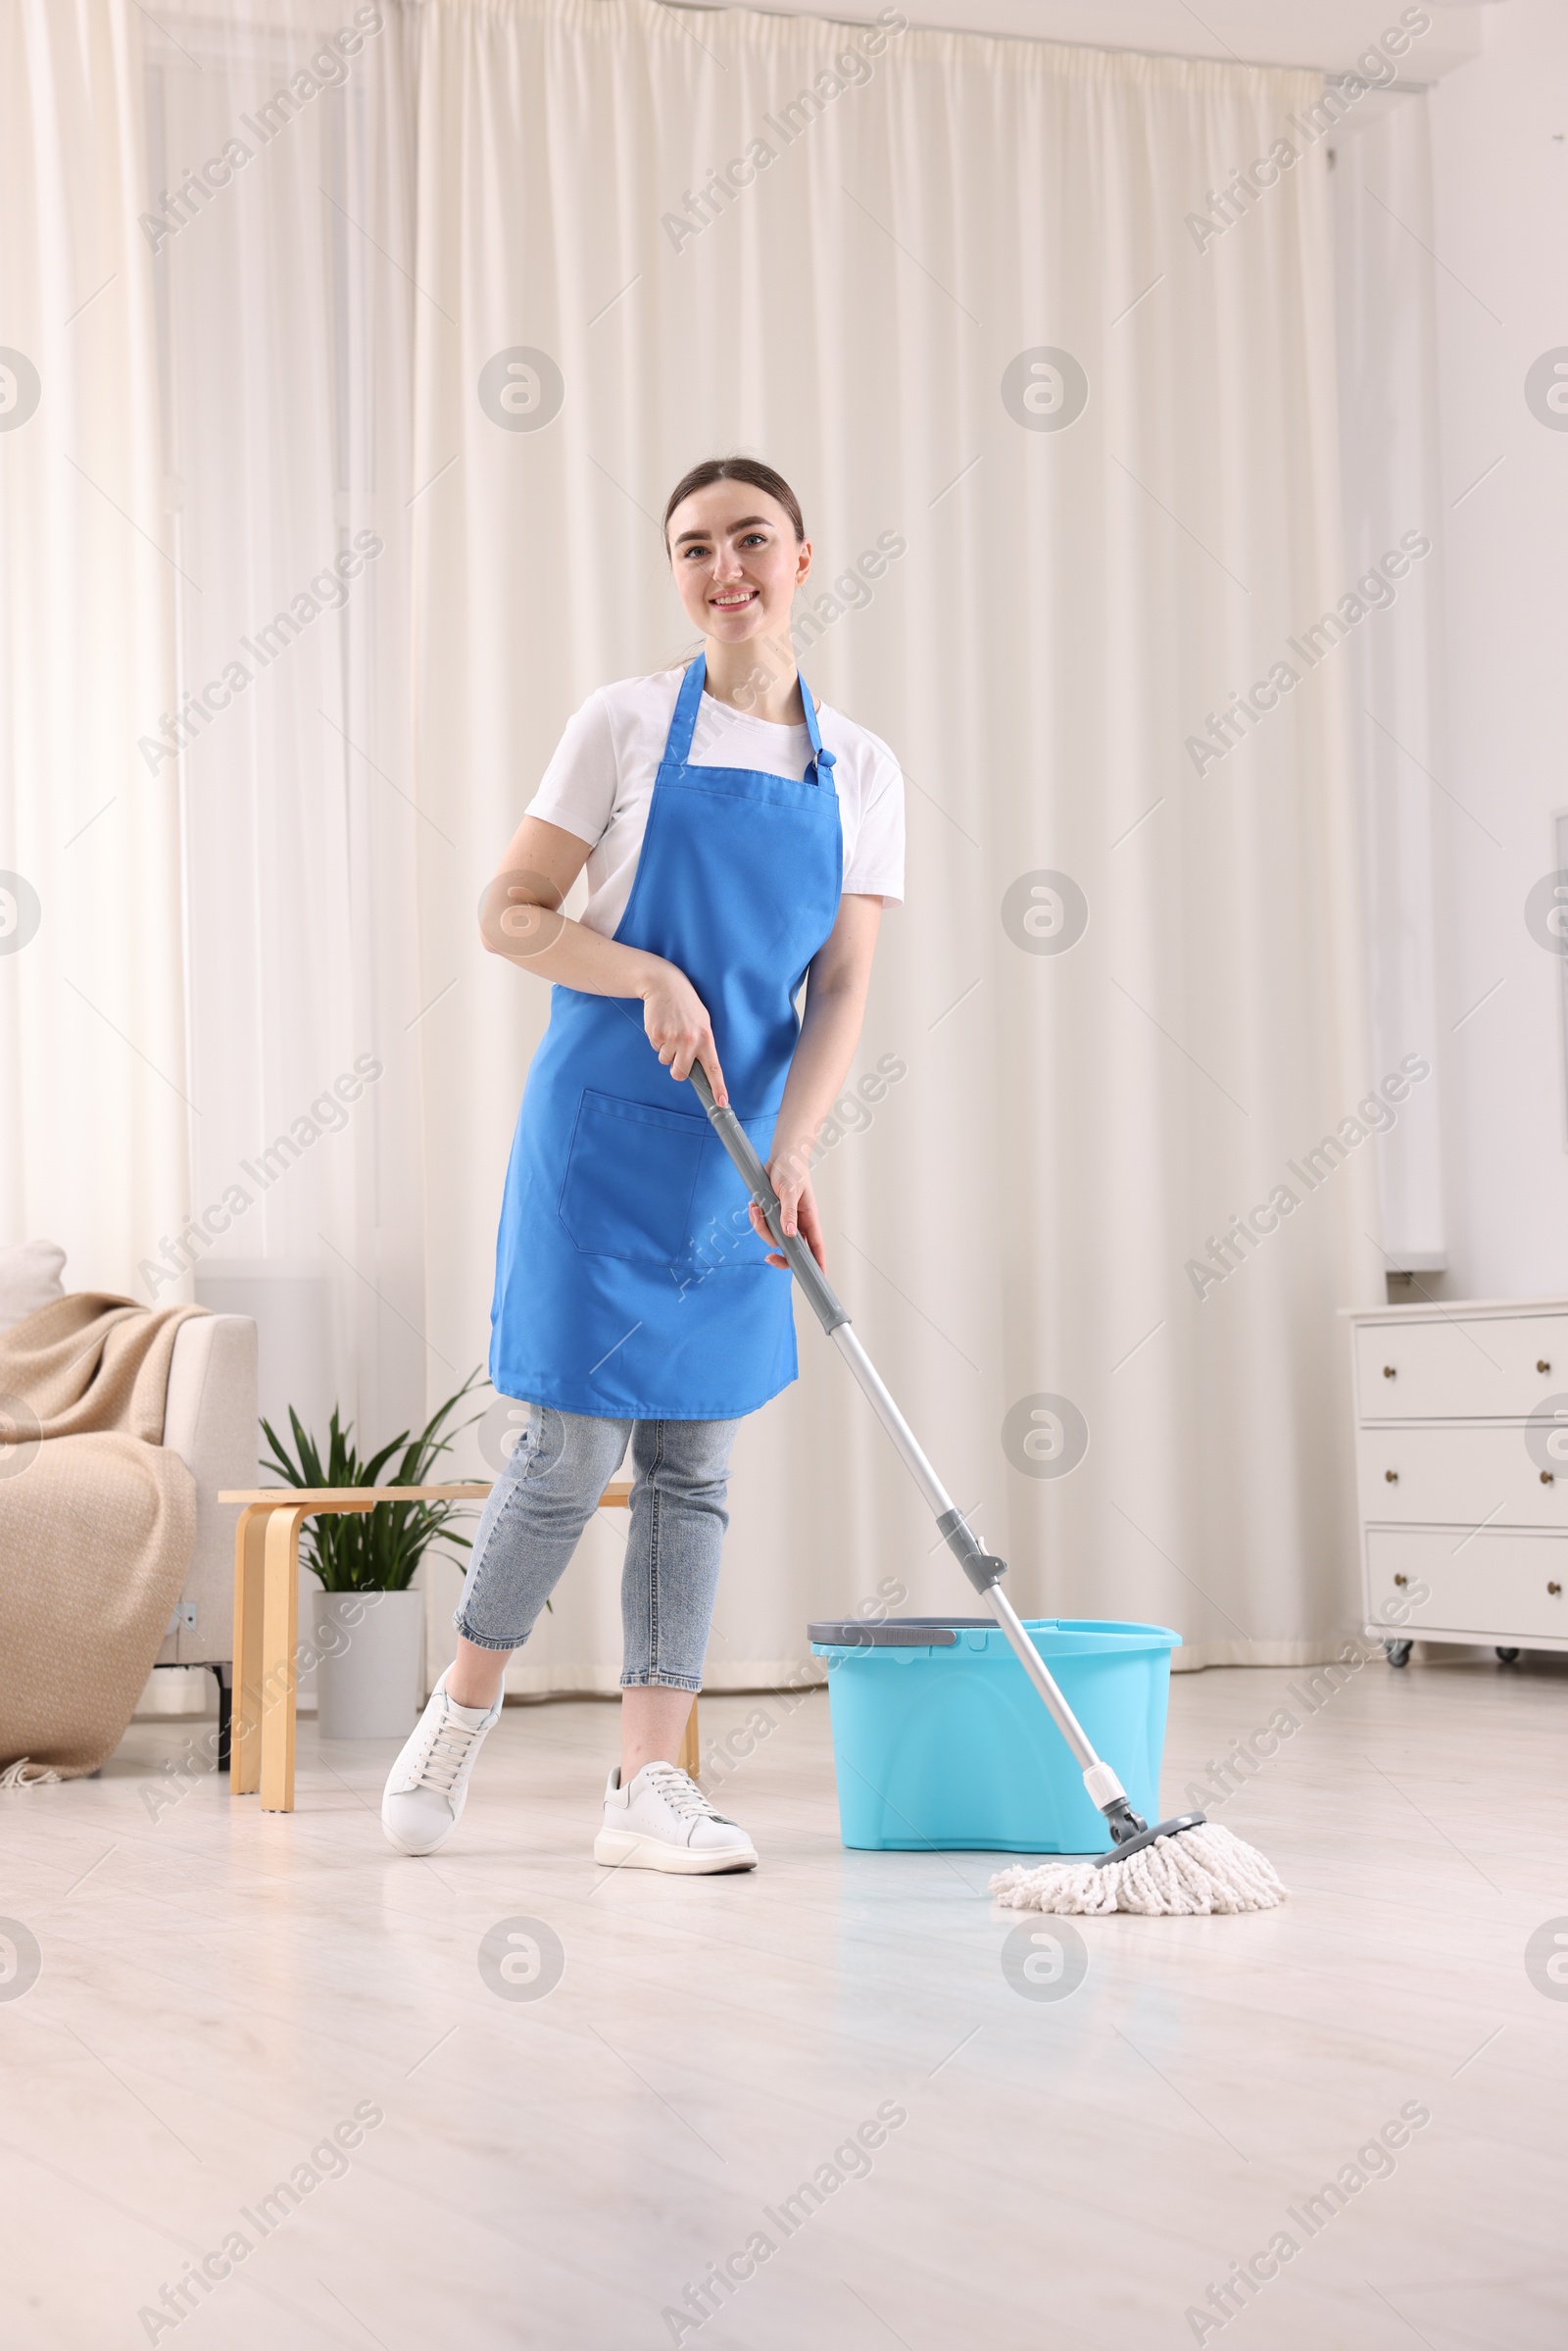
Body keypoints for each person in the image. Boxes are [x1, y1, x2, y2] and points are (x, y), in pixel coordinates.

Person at [382, 456, 904, 1872]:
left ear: (803, 557)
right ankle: (459, 1714)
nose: (723, 568)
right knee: (565, 1454)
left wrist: (793, 1150)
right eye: (693, 549)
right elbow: (509, 912)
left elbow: (843, 989)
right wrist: (646, 976)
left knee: (695, 1466)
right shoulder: (620, 723)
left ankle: (646, 1791)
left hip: (732, 1157)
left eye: (750, 541)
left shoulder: (859, 766)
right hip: (601, 1132)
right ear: (676, 574)